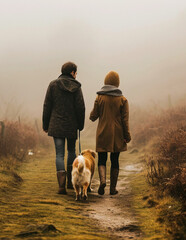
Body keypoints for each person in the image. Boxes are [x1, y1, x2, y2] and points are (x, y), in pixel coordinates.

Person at [42, 62, 85, 194]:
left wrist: (45, 124)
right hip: (71, 126)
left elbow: (47, 106)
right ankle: (71, 183)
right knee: (71, 151)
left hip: (56, 125)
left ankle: (61, 186)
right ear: (72, 72)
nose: (76, 75)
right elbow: (80, 108)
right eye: (76, 72)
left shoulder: (53, 85)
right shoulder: (76, 87)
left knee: (59, 154)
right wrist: (80, 125)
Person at [90, 71, 131, 195]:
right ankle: (112, 189)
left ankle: (102, 181)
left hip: (102, 132)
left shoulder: (99, 97)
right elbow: (125, 120)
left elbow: (93, 116)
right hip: (117, 134)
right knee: (115, 159)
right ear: (117, 83)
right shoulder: (123, 100)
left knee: (102, 158)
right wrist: (127, 136)